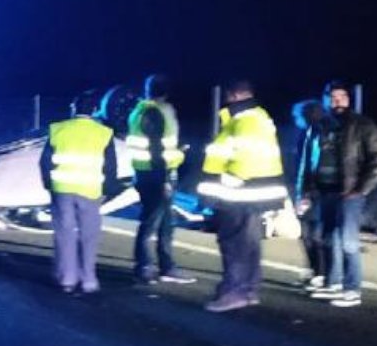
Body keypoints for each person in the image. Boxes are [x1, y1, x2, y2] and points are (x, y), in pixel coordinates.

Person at [299, 80, 377, 308]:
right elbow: (308, 163)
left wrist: (361, 188)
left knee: (349, 241)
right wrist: (306, 192)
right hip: (324, 192)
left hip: (348, 193)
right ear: (325, 100)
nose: (337, 101)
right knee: (328, 238)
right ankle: (334, 283)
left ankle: (353, 289)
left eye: (341, 97)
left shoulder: (361, 126)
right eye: (332, 97)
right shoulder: (318, 127)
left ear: (348, 100)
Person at [197, 80, 289, 312]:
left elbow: (244, 157)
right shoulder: (256, 117)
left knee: (234, 244)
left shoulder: (245, 120)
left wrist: (229, 180)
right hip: (252, 194)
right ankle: (248, 290)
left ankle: (234, 292)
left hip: (240, 195)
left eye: (229, 96)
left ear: (235, 95)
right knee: (248, 243)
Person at [40, 90, 119, 294]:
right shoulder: (104, 133)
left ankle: (67, 278)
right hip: (91, 191)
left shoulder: (57, 129)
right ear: (94, 110)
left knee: (64, 234)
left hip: (62, 190)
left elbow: (45, 162)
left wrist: (49, 185)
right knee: (89, 236)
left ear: (73, 109)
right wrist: (108, 190)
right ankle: (89, 280)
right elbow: (110, 167)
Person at [126, 75, 195, 285]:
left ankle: (166, 266)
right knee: (152, 222)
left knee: (164, 222)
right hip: (158, 174)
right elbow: (157, 148)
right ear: (166, 92)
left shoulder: (139, 110)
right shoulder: (157, 111)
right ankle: (145, 266)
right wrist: (165, 176)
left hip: (145, 172)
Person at [289, 99, 326, 288]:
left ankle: (321, 272)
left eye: (297, 115)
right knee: (305, 234)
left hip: (316, 192)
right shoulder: (305, 135)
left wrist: (309, 191)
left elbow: (314, 165)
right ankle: (312, 269)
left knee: (315, 235)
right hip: (304, 191)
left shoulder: (319, 134)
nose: (294, 119)